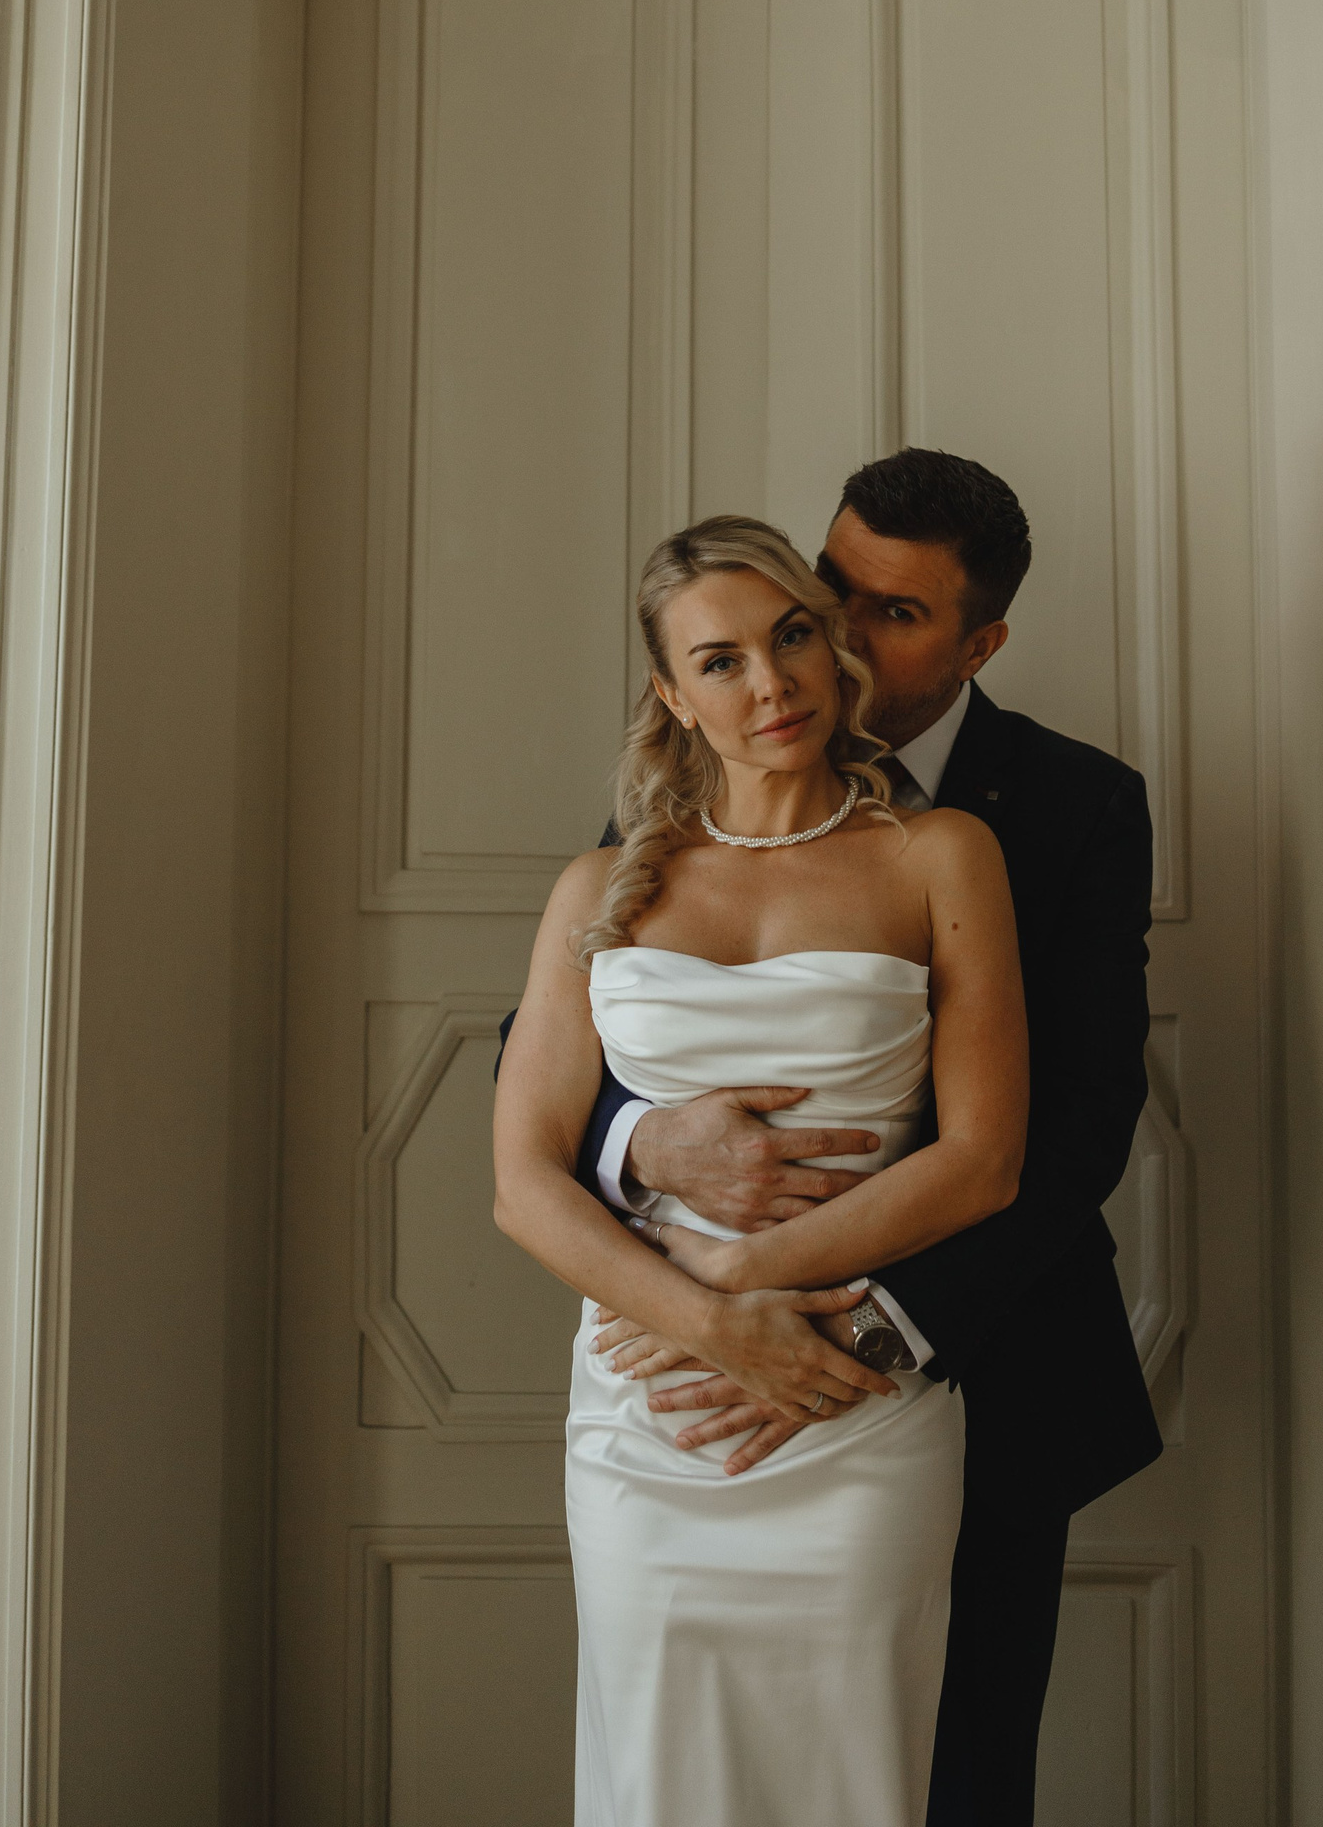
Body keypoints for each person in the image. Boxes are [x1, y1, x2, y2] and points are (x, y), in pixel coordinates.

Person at [573, 450, 1160, 1824]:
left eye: (893, 613)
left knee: (952, 1781)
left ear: (978, 643)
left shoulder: (1070, 806)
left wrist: (863, 1327)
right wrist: (650, 1148)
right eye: (829, 586)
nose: (828, 635)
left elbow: (1076, 1126)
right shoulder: (692, 780)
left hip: (969, 1356)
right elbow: (569, 1049)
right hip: (673, 1388)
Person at [494, 514, 1029, 1827]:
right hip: (648, 1415)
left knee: (856, 1768)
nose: (771, 684)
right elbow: (523, 1180)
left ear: (831, 643)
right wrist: (700, 1323)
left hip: (854, 1402)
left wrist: (743, 1287)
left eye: (790, 637)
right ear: (673, 695)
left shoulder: (941, 853)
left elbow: (984, 1161)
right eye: (719, 661)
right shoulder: (599, 886)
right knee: (658, 1770)